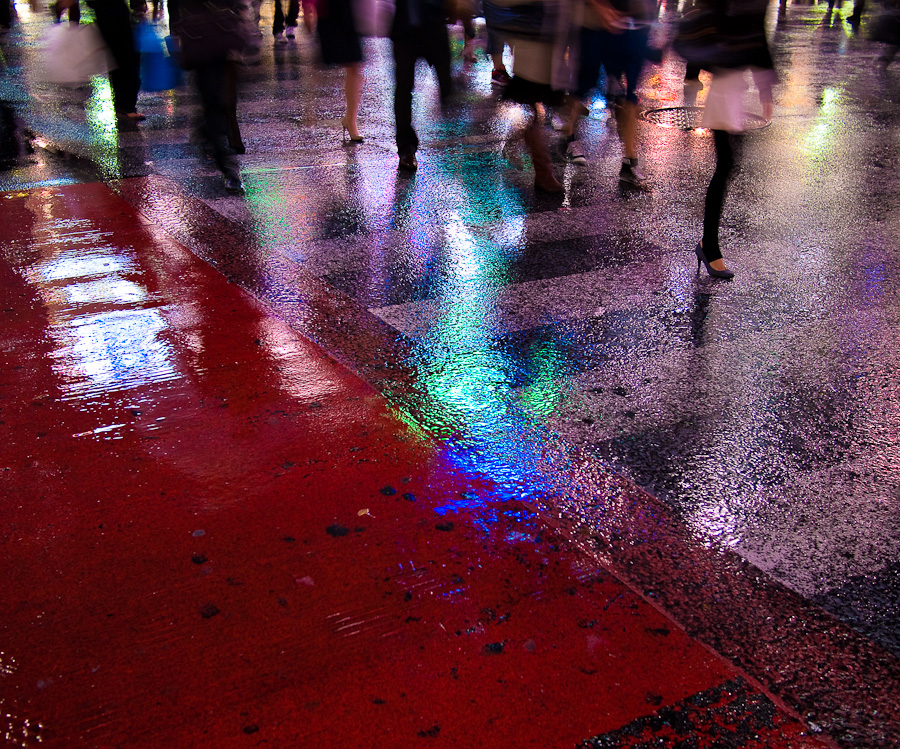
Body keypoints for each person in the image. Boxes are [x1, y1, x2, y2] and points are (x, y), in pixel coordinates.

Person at [694, 0, 775, 279]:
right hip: (726, 83)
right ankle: (709, 246)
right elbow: (714, 22)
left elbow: (757, 32)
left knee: (729, 165)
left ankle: (709, 244)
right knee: (726, 165)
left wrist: (765, 85)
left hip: (737, 84)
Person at [560, 0, 655, 186]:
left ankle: (629, 161)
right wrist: (598, 6)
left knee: (628, 96)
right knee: (583, 84)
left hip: (631, 27)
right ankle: (568, 137)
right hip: (594, 23)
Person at [170, 0, 249, 192]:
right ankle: (227, 165)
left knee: (221, 104)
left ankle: (209, 133)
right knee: (214, 103)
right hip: (201, 42)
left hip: (221, 39)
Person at [493, 0, 572, 192]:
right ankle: (544, 173)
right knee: (537, 110)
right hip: (535, 45)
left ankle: (515, 143)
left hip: (550, 43)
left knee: (542, 108)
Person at [56, 0, 143, 125]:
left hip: (109, 10)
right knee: (125, 55)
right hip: (110, 10)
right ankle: (125, 106)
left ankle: (123, 105)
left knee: (120, 56)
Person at [389, 0, 453, 170]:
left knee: (448, 88)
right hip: (404, 29)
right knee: (403, 89)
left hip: (434, 22)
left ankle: (458, 140)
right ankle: (406, 150)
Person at [316, 0, 365, 142]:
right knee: (355, 65)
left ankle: (350, 119)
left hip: (350, 11)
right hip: (335, 13)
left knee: (356, 66)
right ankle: (350, 119)